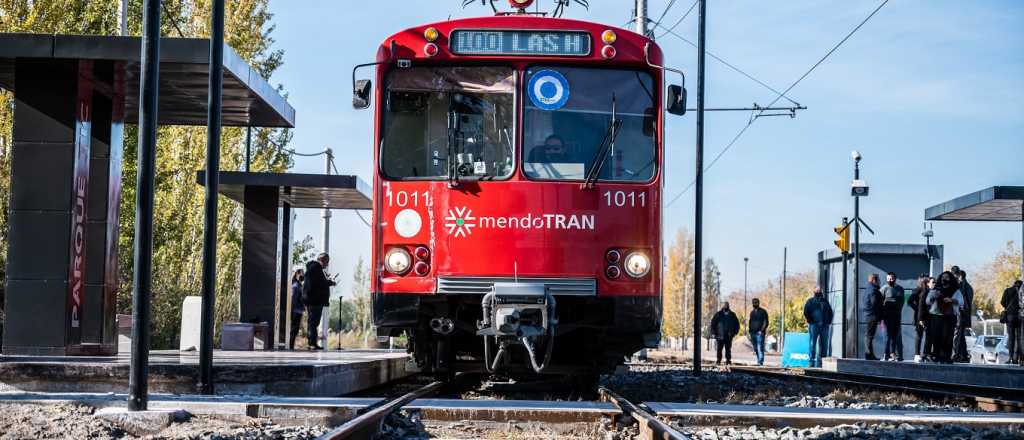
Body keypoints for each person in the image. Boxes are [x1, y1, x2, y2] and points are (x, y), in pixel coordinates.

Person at [926, 271, 963, 363]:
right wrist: (934, 296)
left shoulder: (956, 290)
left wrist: (952, 300)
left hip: (950, 316)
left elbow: (961, 302)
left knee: (948, 337)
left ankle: (946, 357)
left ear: (950, 279)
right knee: (936, 337)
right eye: (943, 277)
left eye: (947, 277)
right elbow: (927, 301)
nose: (944, 279)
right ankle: (936, 355)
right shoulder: (935, 289)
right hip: (936, 316)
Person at [302, 253, 336, 350]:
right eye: (327, 262)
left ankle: (311, 342)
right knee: (314, 322)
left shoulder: (312, 268)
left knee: (312, 322)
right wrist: (331, 282)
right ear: (323, 260)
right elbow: (320, 284)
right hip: (315, 301)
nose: (327, 264)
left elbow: (318, 283)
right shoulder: (316, 269)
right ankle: (312, 343)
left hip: (311, 300)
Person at [804, 286, 834, 368]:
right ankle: (811, 362)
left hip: (824, 326)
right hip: (814, 326)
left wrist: (828, 322)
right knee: (812, 344)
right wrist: (811, 321)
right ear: (814, 291)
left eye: (820, 290)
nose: (819, 291)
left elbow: (830, 312)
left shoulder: (825, 301)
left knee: (824, 345)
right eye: (817, 290)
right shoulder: (810, 301)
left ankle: (822, 362)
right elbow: (806, 312)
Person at [951, 266, 974, 363]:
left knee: (958, 334)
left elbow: (966, 303)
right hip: (962, 313)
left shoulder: (963, 286)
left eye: (955, 275)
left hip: (961, 313)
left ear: (960, 275)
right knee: (960, 335)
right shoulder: (966, 286)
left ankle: (957, 355)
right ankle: (964, 355)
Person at [881, 272, 906, 361]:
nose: (889, 280)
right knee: (887, 336)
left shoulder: (900, 289)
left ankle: (894, 354)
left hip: (896, 316)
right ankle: (886, 354)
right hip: (886, 317)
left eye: (891, 279)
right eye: (888, 279)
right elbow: (880, 302)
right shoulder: (884, 289)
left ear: (895, 279)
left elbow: (902, 302)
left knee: (895, 336)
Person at [907, 274, 929, 362]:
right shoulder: (917, 290)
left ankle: (925, 354)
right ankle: (917, 354)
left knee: (928, 336)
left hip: (928, 316)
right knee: (919, 335)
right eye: (925, 280)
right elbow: (909, 301)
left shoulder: (928, 290)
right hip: (919, 316)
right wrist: (917, 308)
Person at [863, 274, 885, 360]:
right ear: (873, 280)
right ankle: (868, 354)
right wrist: (879, 317)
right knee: (869, 336)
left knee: (869, 335)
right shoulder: (873, 290)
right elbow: (875, 304)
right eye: (878, 280)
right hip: (872, 316)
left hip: (869, 315)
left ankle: (869, 354)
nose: (879, 282)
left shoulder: (868, 289)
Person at [1001, 280, 1022, 364]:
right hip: (1020, 316)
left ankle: (1010, 357)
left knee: (1011, 338)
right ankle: (1017, 358)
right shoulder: (1021, 292)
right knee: (1019, 337)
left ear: (1014, 284)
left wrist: (1008, 307)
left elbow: (1002, 302)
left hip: (1010, 316)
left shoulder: (1007, 290)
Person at [748, 298, 769, 366]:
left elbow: (766, 322)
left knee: (760, 347)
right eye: (753, 302)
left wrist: (761, 330)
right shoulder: (752, 312)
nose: (755, 304)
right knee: (755, 348)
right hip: (752, 333)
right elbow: (750, 322)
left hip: (759, 333)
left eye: (756, 302)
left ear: (758, 303)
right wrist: (750, 331)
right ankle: (758, 360)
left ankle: (760, 361)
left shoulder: (763, 311)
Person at [288, 267, 305, 350]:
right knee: (294, 330)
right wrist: (292, 311)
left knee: (295, 330)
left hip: (299, 311)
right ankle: (290, 347)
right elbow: (293, 300)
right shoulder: (295, 286)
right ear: (297, 274)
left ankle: (292, 346)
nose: (303, 275)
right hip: (296, 311)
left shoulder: (299, 285)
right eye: (302, 273)